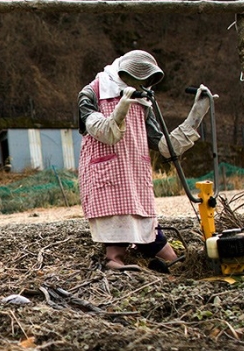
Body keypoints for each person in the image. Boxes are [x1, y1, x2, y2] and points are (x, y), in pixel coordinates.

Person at [77, 50, 211, 271]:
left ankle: (165, 259)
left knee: (156, 237)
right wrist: (121, 109)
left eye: (146, 81)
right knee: (116, 223)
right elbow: (104, 132)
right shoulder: (93, 92)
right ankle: (114, 258)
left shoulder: (144, 102)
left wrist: (196, 114)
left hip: (136, 175)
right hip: (108, 175)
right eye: (139, 79)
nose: (143, 85)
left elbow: (166, 147)